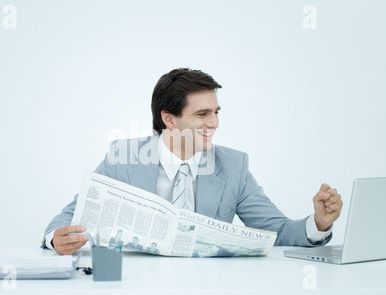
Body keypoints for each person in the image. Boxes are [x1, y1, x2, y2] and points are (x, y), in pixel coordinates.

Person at [42, 68, 343, 255]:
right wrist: (55, 241)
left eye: (216, 112)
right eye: (202, 114)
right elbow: (66, 220)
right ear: (169, 119)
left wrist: (317, 224)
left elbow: (278, 231)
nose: (214, 123)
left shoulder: (234, 166)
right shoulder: (122, 159)